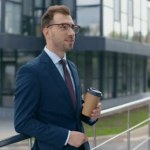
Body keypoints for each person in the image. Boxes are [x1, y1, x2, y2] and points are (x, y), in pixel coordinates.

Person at [14, 5, 101, 150]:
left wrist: (91, 113)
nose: (72, 32)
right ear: (47, 32)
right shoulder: (30, 72)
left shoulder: (72, 68)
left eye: (73, 27)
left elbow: (70, 110)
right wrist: (66, 136)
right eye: (64, 27)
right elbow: (23, 122)